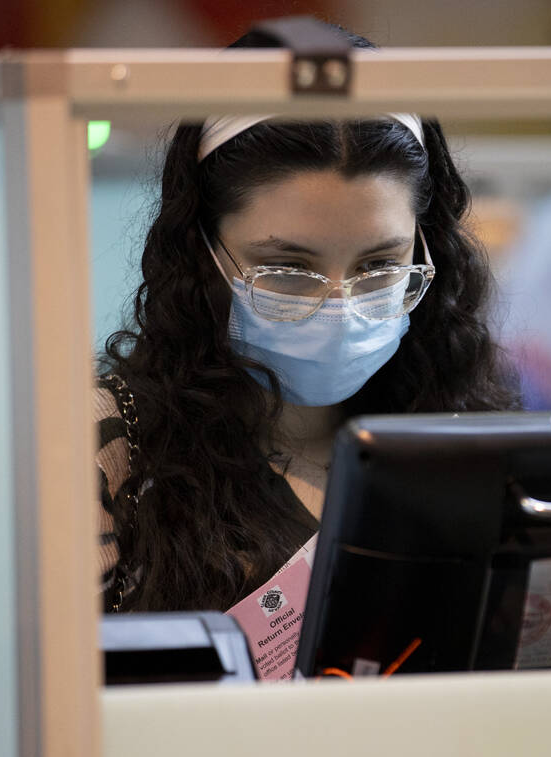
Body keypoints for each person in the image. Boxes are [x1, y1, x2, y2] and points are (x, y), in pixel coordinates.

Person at [95, 30, 518, 614]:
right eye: (288, 268)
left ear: (426, 250)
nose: (339, 307)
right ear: (200, 253)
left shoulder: (472, 433)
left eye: (379, 265)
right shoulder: (110, 452)